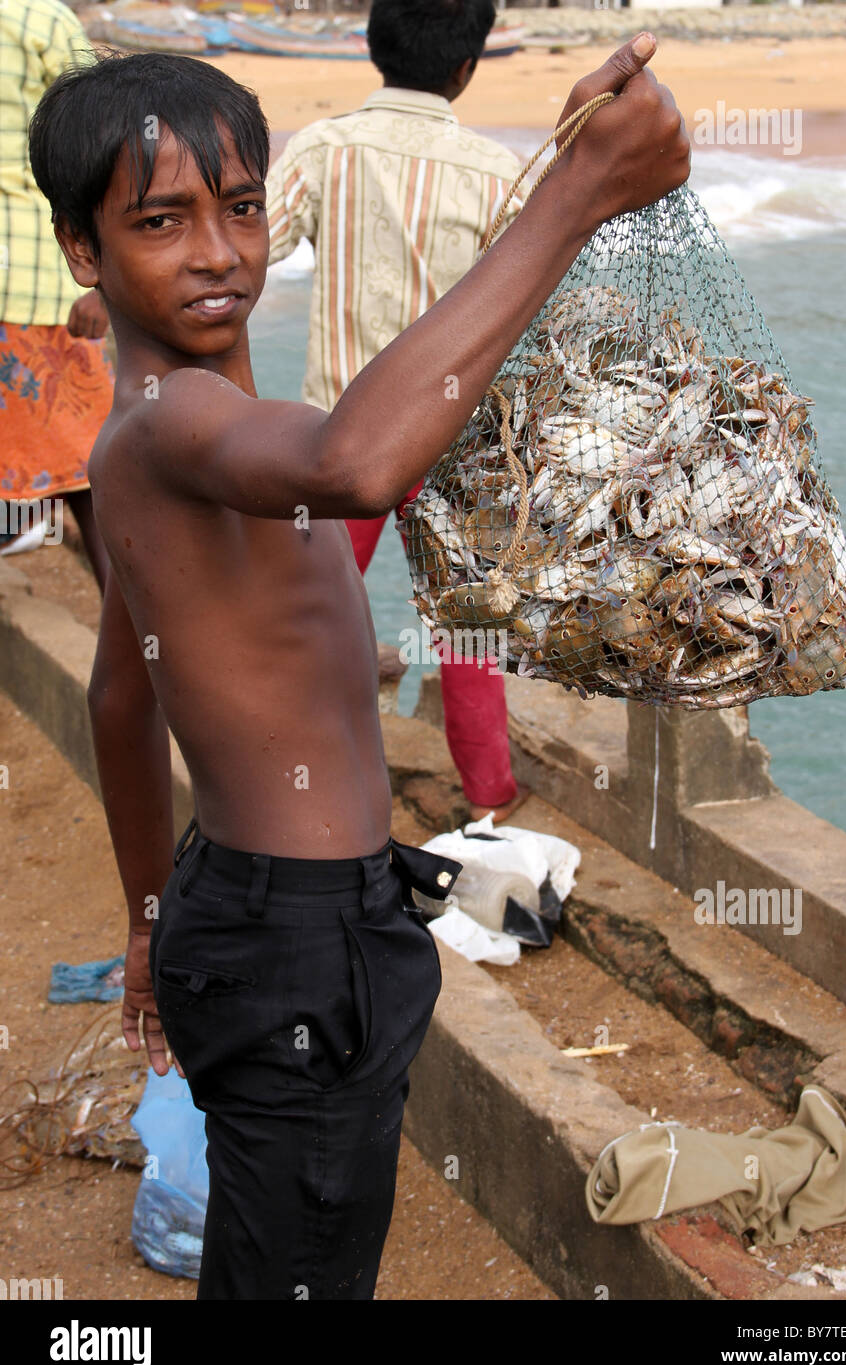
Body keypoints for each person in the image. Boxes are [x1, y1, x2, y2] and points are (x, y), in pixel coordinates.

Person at [29, 37, 689, 1299]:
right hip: (295, 940)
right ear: (82, 250)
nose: (219, 253)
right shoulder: (179, 424)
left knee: (280, 1247)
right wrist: (575, 198)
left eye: (240, 209)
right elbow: (355, 466)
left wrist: (149, 916)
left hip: (251, 911)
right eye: (161, 222)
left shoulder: (157, 428)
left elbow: (124, 693)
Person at [266, 0, 529, 823]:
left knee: (305, 619)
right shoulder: (497, 173)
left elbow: (250, 254)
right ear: (467, 66)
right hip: (451, 444)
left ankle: (297, 790)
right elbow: (527, 310)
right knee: (470, 639)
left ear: (372, 47)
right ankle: (488, 802)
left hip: (339, 437)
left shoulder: (322, 149)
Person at [0, 0, 111, 584]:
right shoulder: (39, 18)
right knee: (89, 469)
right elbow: (98, 141)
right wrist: (106, 283)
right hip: (36, 280)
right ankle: (145, 646)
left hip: (33, 280)